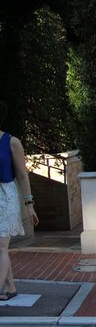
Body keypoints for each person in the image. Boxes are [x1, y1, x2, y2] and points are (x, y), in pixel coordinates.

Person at [0, 100, 39, 301]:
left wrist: (29, 204)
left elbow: (23, 176)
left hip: (5, 196)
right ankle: (11, 288)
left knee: (1, 246)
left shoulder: (11, 142)